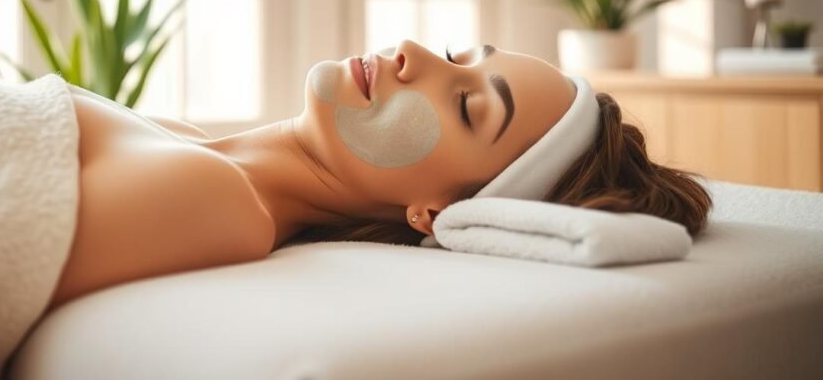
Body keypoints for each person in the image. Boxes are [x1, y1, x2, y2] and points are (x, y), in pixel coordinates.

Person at [51, 39, 712, 310]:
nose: (413, 53)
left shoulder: (219, 202)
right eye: (456, 54)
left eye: (467, 106)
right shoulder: (186, 141)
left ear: (435, 211)